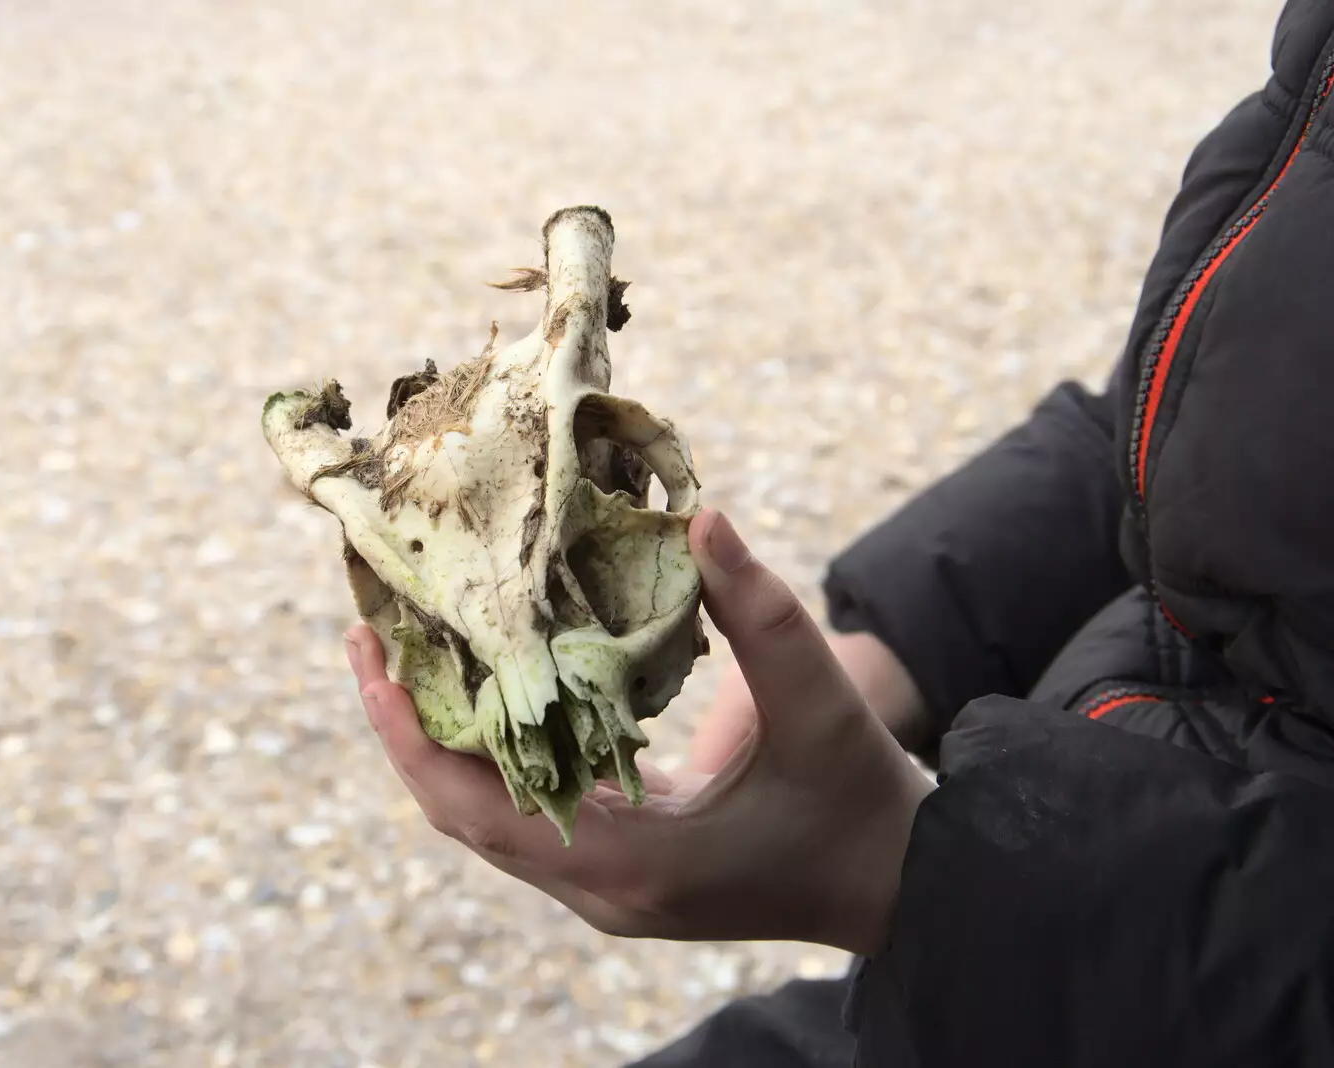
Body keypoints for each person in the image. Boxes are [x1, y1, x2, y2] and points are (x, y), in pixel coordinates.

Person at [345, 1, 1334, 1062]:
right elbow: (1205, 419)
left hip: (1139, 956)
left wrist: (915, 873)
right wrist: (906, 632)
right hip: (1071, 881)